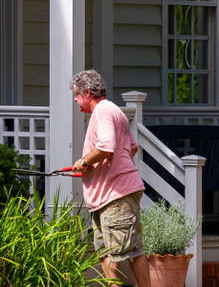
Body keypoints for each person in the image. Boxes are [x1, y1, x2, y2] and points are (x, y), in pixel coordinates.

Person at [71, 69, 151, 287]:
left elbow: (106, 146)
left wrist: (85, 162)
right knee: (107, 253)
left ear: (87, 93)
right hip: (107, 197)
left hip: (116, 196)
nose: (76, 102)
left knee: (127, 253)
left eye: (77, 96)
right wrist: (98, 167)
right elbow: (131, 148)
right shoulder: (114, 111)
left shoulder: (103, 111)